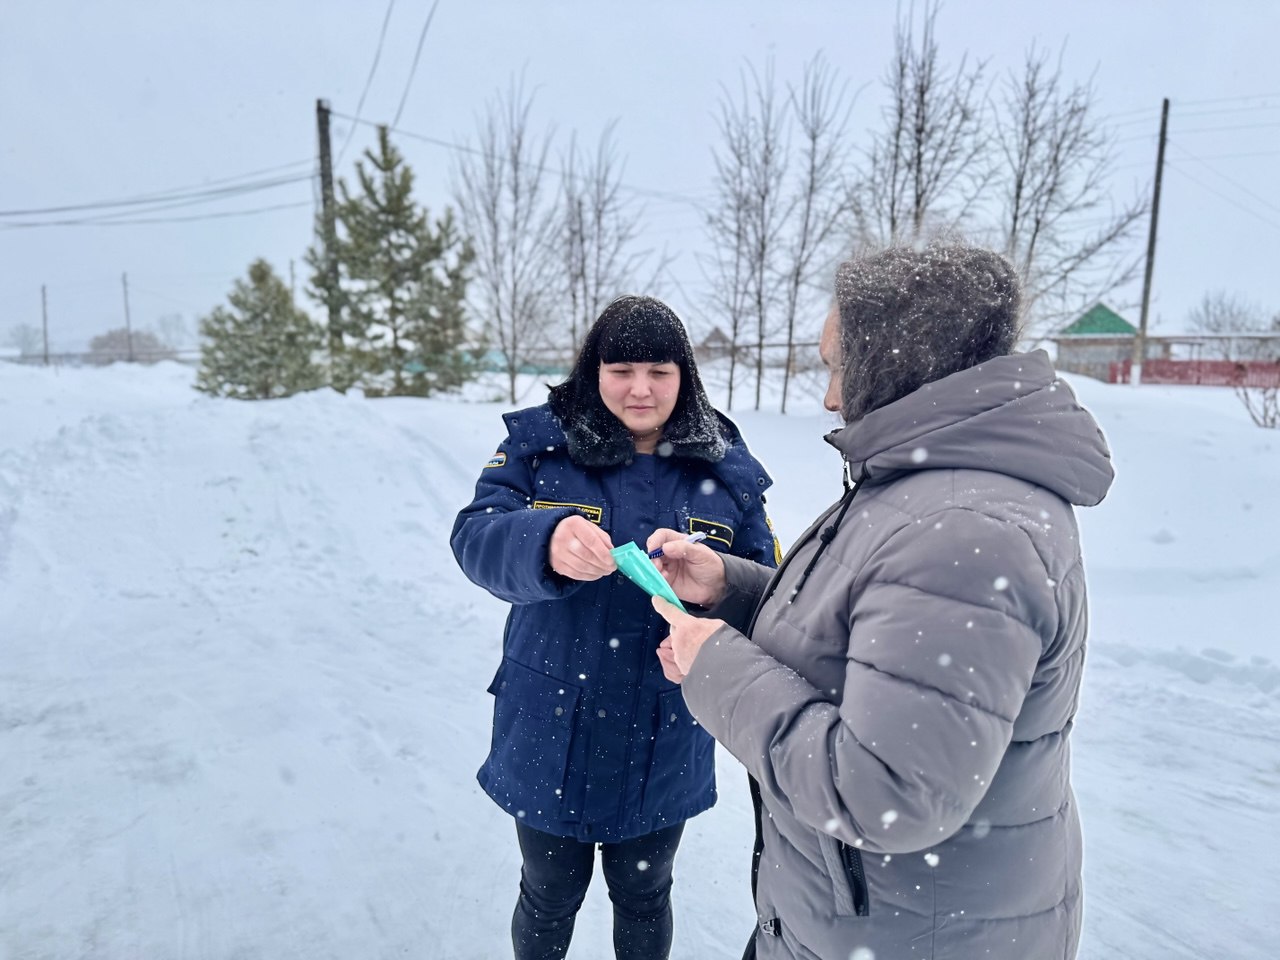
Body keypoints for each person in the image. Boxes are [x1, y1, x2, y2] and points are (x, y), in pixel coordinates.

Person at [649, 243, 1114, 960]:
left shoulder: (966, 528)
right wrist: (732, 589)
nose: (831, 396)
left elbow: (885, 790)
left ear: (898, 362)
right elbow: (871, 641)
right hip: (861, 922)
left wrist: (713, 663)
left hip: (912, 936)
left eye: (838, 367)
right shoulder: (930, 484)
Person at [450, 295, 780, 960]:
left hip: (664, 731)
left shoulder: (723, 466)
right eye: (621, 369)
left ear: (684, 375)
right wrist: (542, 541)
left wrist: (717, 586)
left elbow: (768, 590)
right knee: (548, 891)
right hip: (549, 724)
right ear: (592, 371)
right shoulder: (540, 446)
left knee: (645, 893)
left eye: (659, 371)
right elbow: (474, 538)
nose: (640, 389)